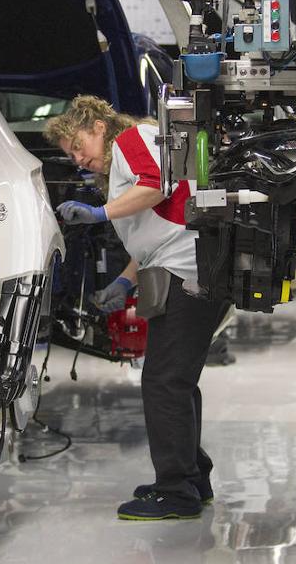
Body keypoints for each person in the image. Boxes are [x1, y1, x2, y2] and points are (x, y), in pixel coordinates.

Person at [44, 95, 229, 521]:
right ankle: (192, 478)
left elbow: (155, 187)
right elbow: (155, 224)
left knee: (164, 382)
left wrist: (98, 213)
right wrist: (126, 278)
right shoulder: (129, 150)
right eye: (70, 154)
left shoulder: (131, 138)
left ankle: (175, 491)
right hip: (182, 267)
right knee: (176, 380)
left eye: (77, 146)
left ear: (96, 126)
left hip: (190, 272)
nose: (77, 160)